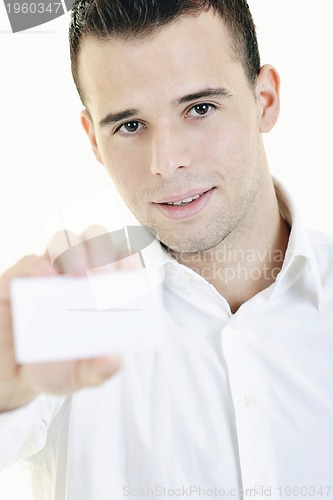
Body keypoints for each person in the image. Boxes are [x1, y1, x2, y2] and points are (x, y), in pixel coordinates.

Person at [1, 0, 333, 498]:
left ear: (265, 100)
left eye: (200, 108)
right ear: (94, 140)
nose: (167, 161)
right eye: (129, 126)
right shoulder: (67, 318)